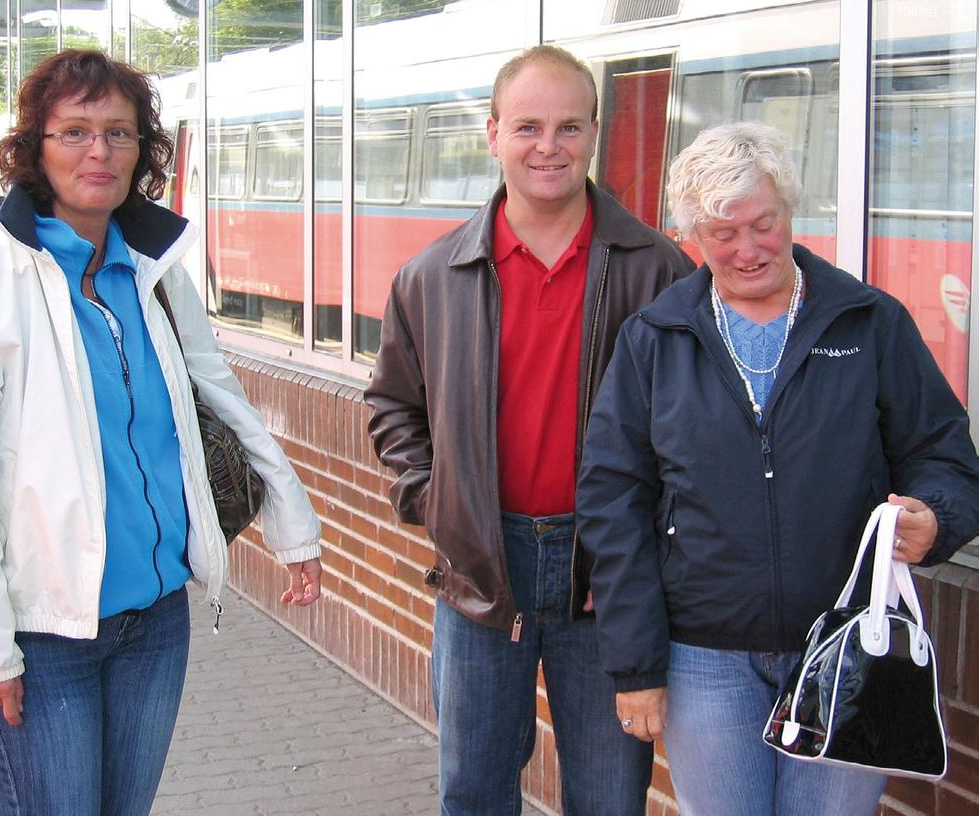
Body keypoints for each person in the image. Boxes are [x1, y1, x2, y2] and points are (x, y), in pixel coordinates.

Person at [0, 49, 323, 816]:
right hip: (44, 631)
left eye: (119, 134)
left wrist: (293, 525)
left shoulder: (154, 270)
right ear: (34, 148)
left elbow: (219, 395)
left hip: (155, 620)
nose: (100, 152)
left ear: (144, 151)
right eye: (75, 132)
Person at [575, 120, 979, 816]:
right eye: (722, 232)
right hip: (704, 657)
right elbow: (615, 506)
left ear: (792, 211)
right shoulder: (654, 340)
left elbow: (943, 453)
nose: (747, 248)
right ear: (692, 236)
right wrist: (636, 667)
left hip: (851, 640)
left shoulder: (870, 323)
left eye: (763, 223)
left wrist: (935, 517)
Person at [365, 44, 693, 815]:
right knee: (474, 791)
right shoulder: (431, 277)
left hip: (608, 570)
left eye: (569, 127)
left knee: (610, 796)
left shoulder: (658, 270)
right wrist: (435, 499)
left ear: (595, 132)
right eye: (528, 127)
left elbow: (693, 428)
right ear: (492, 133)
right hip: (483, 564)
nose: (549, 146)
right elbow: (391, 407)